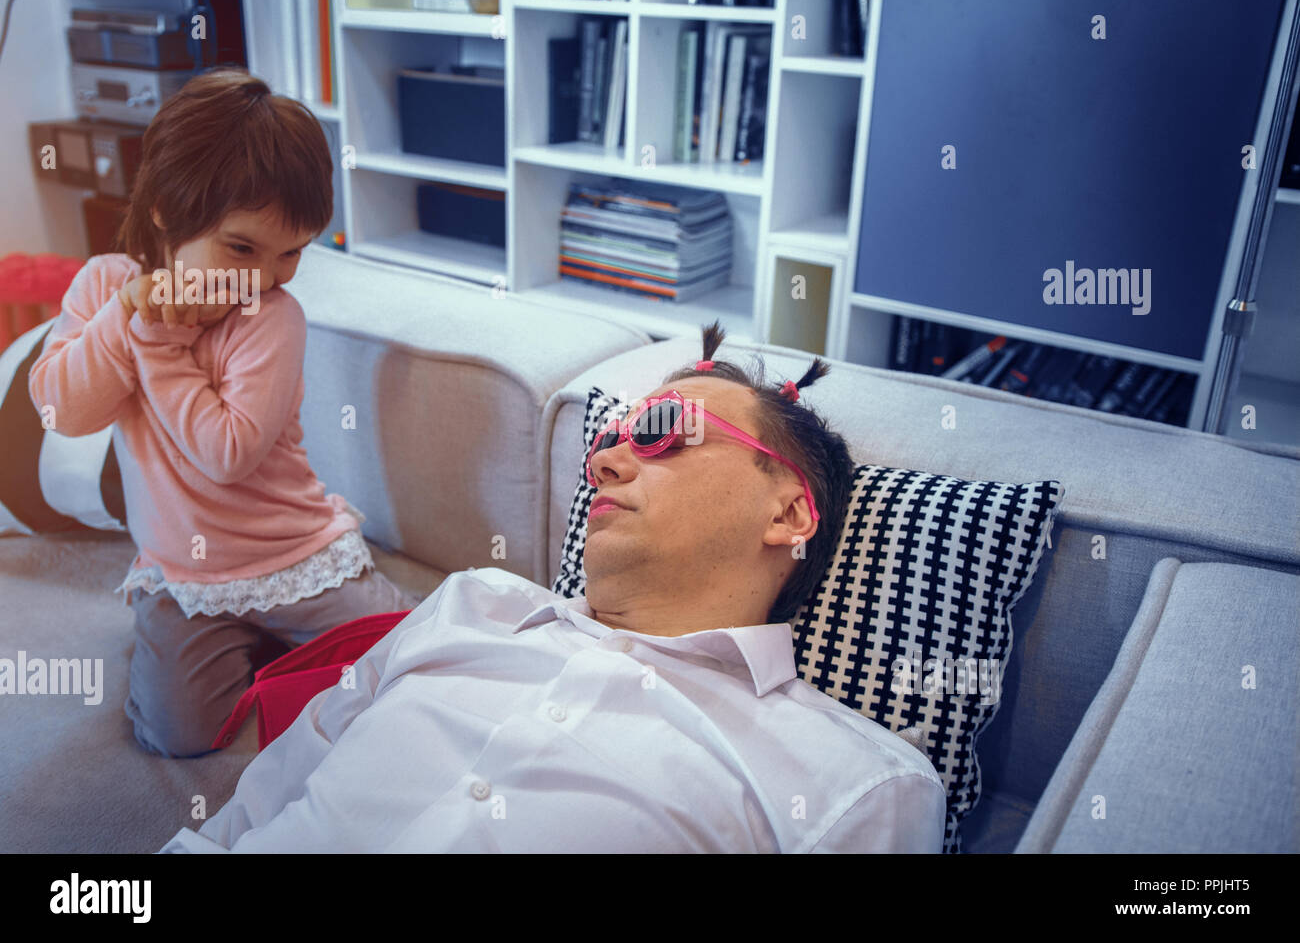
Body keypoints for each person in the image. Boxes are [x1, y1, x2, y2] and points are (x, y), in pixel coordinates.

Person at [159, 322, 946, 852]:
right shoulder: (474, 604)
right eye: (610, 439)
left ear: (787, 511)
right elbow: (246, 815)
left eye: (663, 430)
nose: (603, 461)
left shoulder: (856, 785)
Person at [28, 69, 415, 759]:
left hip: (292, 554)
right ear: (163, 211)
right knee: (176, 737)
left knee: (413, 658)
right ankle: (252, 647)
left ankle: (283, 642)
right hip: (185, 576)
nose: (264, 275)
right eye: (242, 248)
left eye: (291, 252)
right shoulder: (107, 288)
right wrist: (128, 321)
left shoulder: (271, 317)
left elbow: (228, 453)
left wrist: (161, 346)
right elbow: (61, 408)